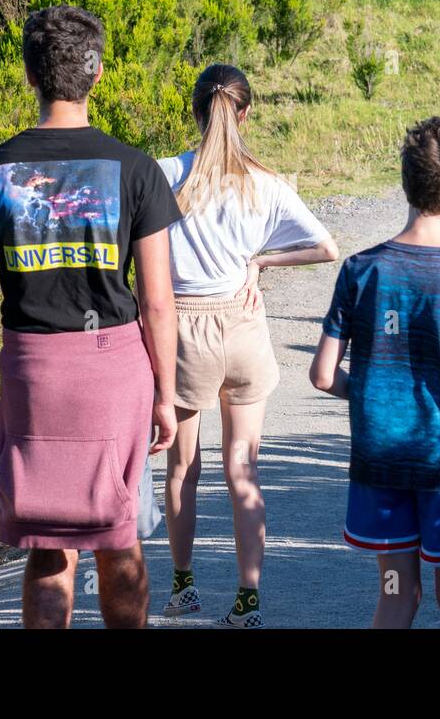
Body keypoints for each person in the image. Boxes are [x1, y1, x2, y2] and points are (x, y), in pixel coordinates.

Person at [0, 5, 181, 628]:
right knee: (119, 531)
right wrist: (167, 393)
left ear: (29, 74)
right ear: (97, 73)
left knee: (47, 542)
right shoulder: (136, 169)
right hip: (114, 373)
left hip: (32, 371)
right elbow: (158, 301)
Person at [309, 116, 440, 629]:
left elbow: (323, 375)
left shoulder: (359, 271)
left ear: (407, 184)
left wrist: (377, 393)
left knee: (397, 594)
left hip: (379, 459)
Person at [157, 63, 338, 628]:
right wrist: (258, 261)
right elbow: (325, 248)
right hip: (242, 325)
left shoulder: (164, 174)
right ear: (246, 113)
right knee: (244, 468)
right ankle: (248, 601)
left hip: (183, 331)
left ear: (193, 111)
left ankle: (184, 588)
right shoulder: (267, 183)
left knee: (184, 464)